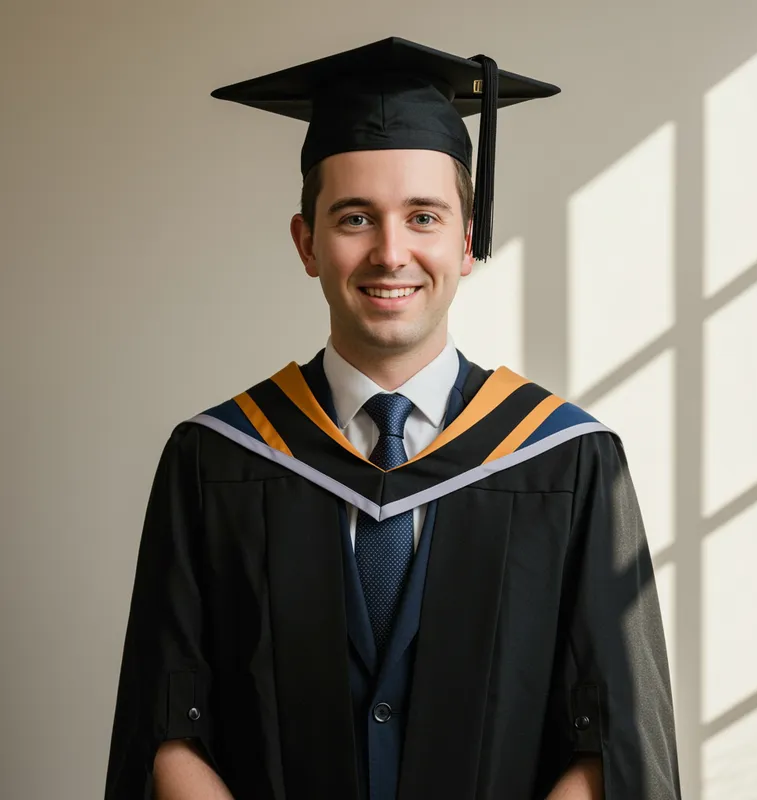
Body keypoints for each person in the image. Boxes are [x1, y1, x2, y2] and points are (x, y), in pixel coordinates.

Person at [104, 37, 681, 800]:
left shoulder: (566, 462)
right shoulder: (216, 461)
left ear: (467, 241)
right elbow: (165, 722)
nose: (390, 251)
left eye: (423, 217)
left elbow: (616, 732)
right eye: (354, 219)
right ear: (306, 243)